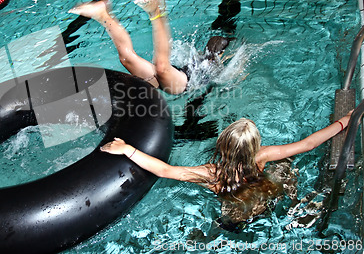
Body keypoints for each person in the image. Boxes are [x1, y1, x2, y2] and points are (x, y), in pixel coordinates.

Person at [100, 111, 353, 226]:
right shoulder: (262, 157)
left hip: (236, 216)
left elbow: (166, 170)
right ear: (255, 146)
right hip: (266, 201)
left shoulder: (213, 173)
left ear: (221, 145)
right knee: (286, 166)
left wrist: (127, 149)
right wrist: (345, 121)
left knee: (226, 225)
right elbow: (308, 144)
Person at [69, 0, 229, 94]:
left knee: (126, 58)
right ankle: (156, 11)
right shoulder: (212, 63)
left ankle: (102, 14)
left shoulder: (211, 62)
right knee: (161, 67)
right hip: (183, 82)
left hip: (179, 76)